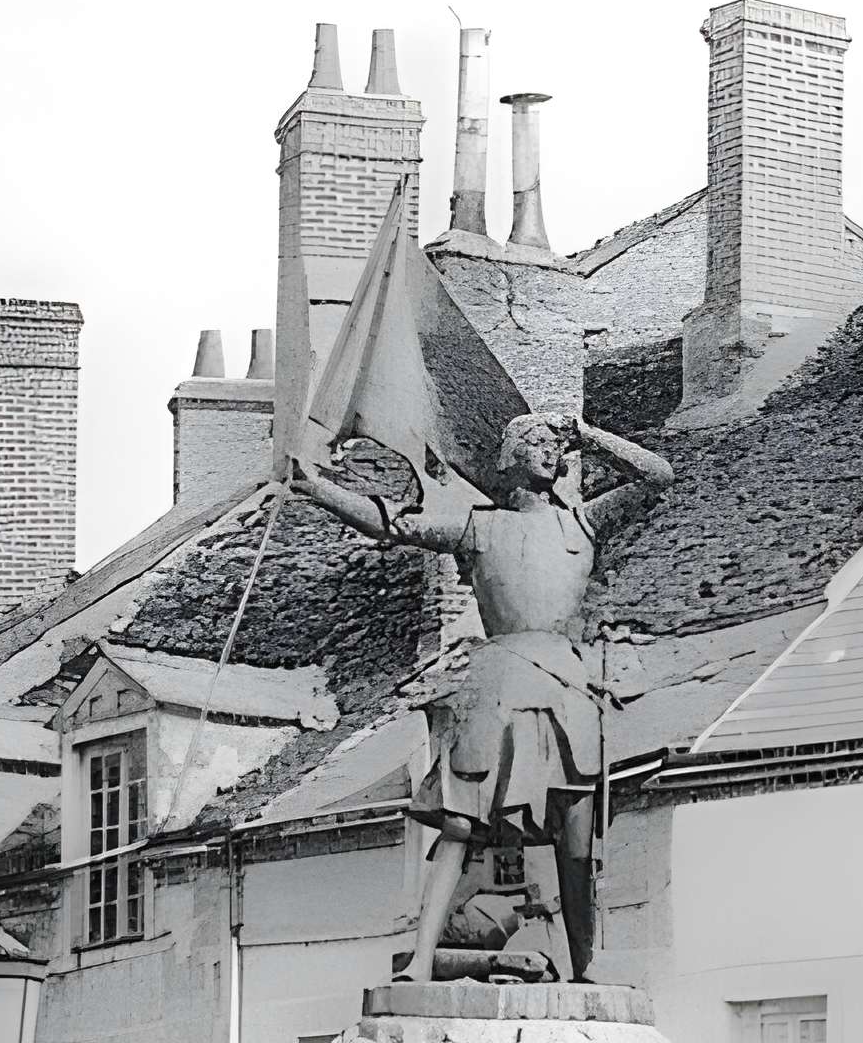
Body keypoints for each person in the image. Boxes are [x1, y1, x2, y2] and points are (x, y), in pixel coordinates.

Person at [288, 408, 672, 986]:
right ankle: (420, 957)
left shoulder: (583, 524)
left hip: (566, 687)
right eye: (536, 442)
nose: (550, 452)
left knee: (574, 836)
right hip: (498, 683)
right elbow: (391, 523)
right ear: (509, 458)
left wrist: (589, 435)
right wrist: (316, 488)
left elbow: (658, 477)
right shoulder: (479, 527)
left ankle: (584, 965)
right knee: (460, 825)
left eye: (554, 444)